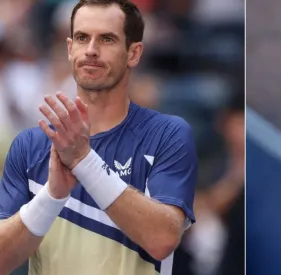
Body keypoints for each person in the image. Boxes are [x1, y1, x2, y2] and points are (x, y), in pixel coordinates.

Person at [0, 0, 198, 274]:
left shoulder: (167, 134)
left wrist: (84, 161)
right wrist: (52, 197)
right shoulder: (29, 145)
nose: (91, 50)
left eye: (107, 39)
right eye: (82, 38)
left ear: (134, 53)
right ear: (70, 49)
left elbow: (163, 240)